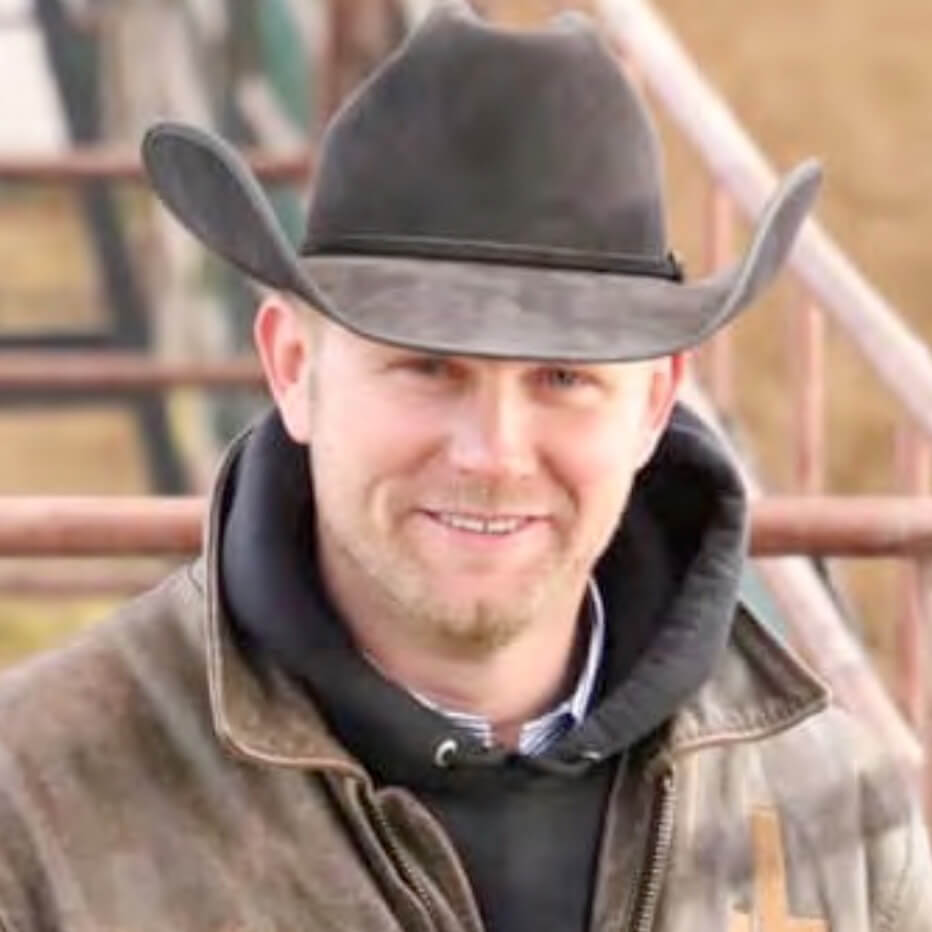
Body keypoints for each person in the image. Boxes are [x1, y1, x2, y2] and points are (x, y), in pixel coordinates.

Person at [1, 4, 929, 930]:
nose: (492, 453)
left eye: (562, 377)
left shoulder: (837, 816)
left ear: (655, 404)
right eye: (426, 366)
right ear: (293, 368)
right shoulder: (39, 800)